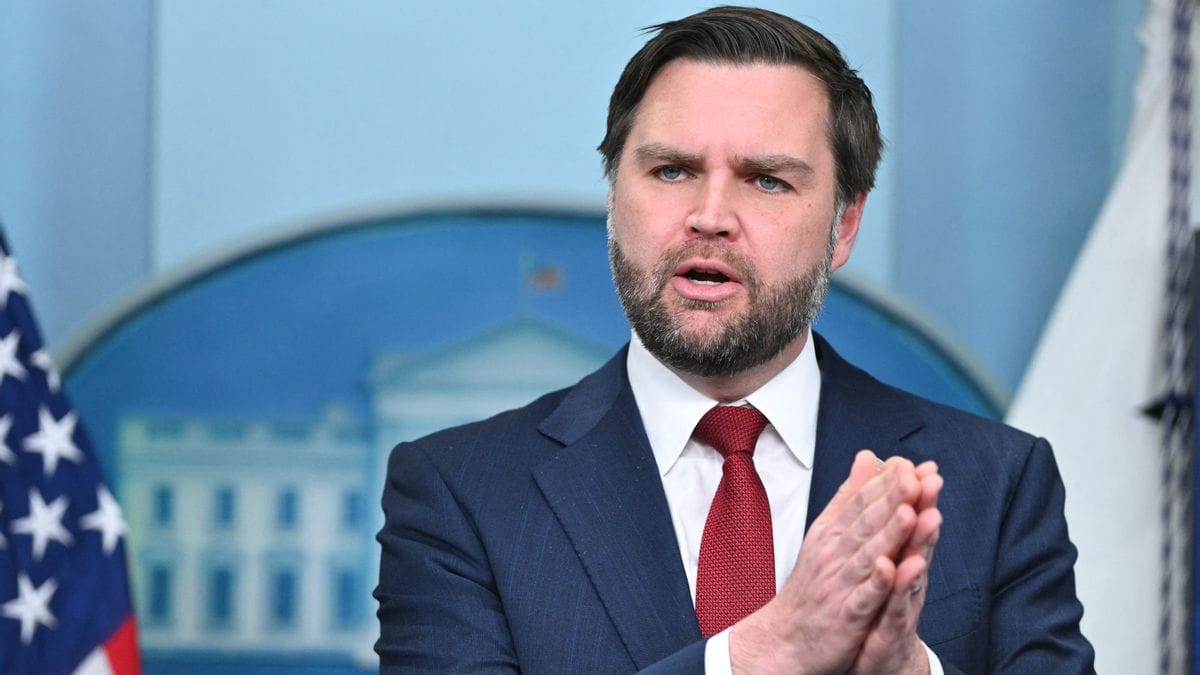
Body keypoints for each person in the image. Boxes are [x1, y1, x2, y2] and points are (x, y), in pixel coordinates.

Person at [375, 6, 1095, 673]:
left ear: (843, 224)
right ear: (613, 197)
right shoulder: (459, 493)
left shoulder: (997, 482)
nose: (709, 215)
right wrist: (770, 647)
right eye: (671, 170)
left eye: (766, 181)